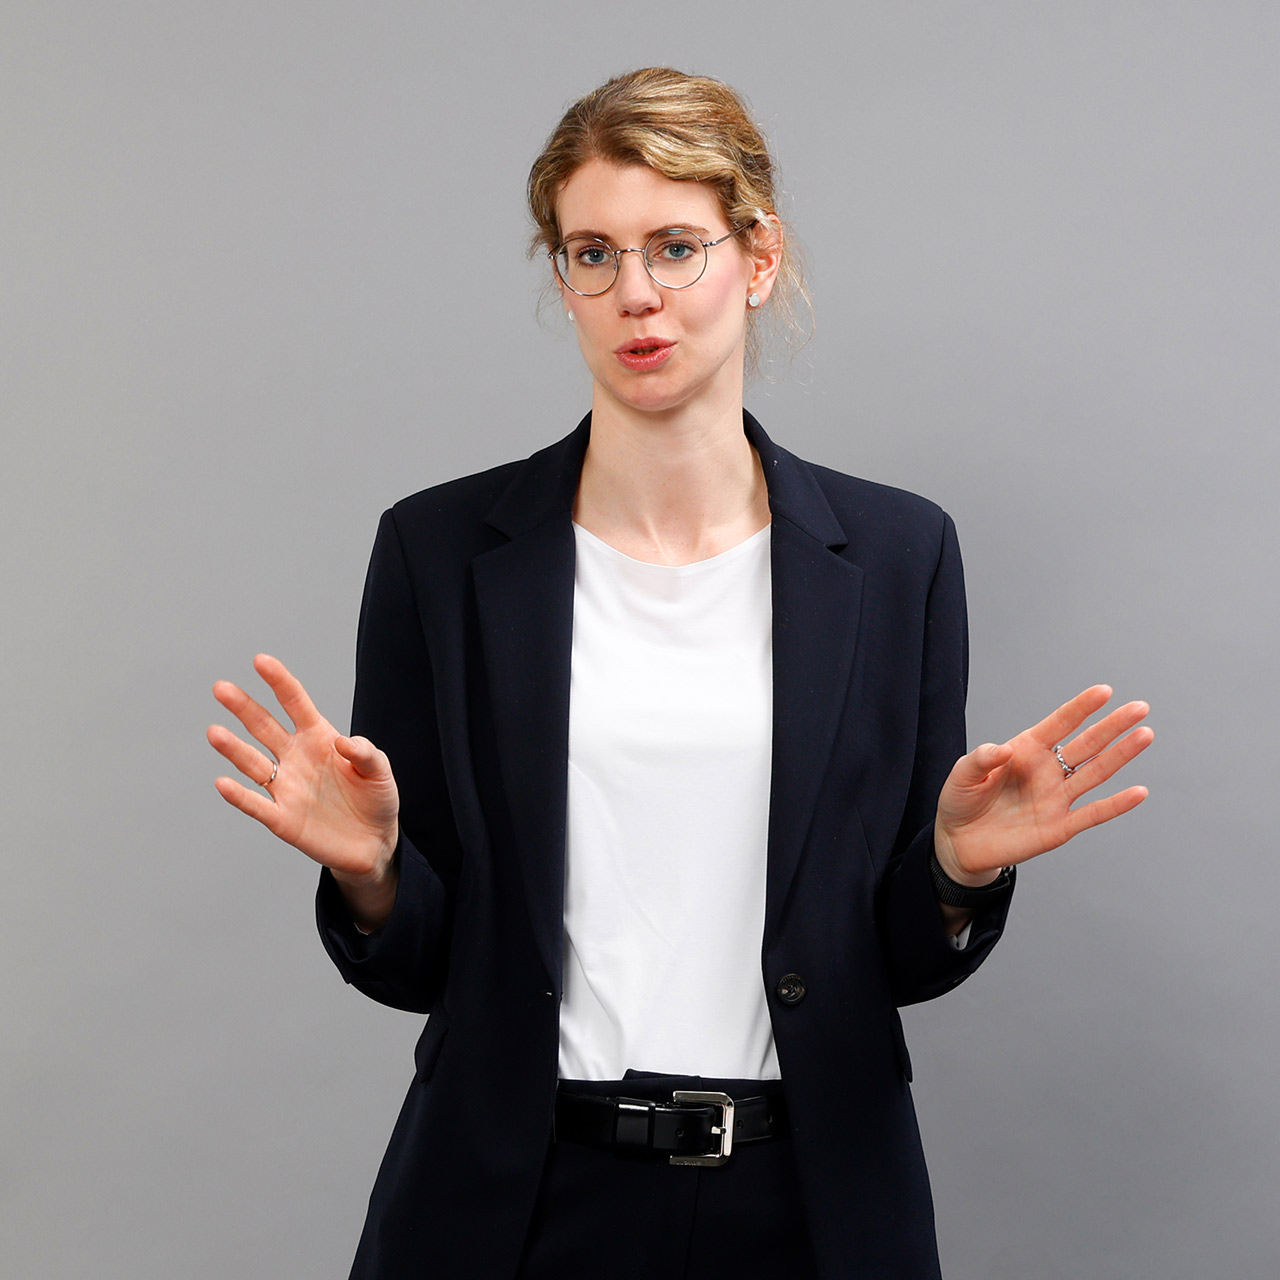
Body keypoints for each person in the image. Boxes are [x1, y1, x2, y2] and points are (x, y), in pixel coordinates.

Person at [207, 68, 1152, 1280]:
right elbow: (423, 964)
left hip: (806, 1203)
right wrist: (375, 872)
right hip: (512, 1201)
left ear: (757, 257)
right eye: (591, 253)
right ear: (561, 275)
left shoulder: (896, 554)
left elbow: (901, 961)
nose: (635, 293)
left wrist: (955, 870)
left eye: (673, 246)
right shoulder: (435, 553)